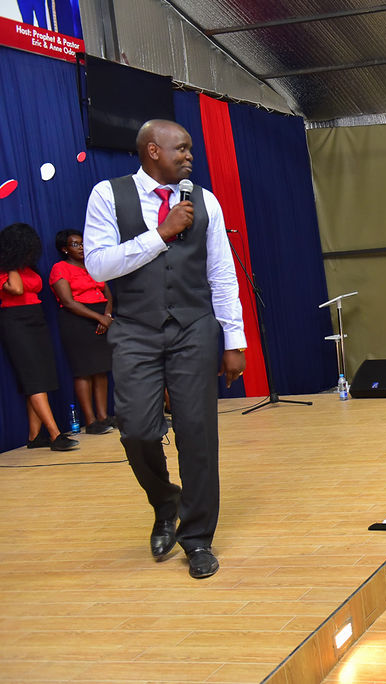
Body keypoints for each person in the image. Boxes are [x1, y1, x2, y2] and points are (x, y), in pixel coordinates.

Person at [83, 119, 246, 579]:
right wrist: (161, 234)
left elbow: (222, 274)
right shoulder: (107, 195)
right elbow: (98, 266)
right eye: (182, 148)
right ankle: (164, 501)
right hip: (134, 330)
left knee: (198, 433)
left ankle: (197, 538)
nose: (190, 156)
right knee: (136, 429)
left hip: (194, 328)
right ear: (153, 150)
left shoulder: (205, 201)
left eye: (191, 149)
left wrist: (234, 340)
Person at [0, 223, 79, 451]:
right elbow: (16, 289)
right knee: (33, 378)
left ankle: (34, 437)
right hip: (14, 321)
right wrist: (11, 262)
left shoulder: (28, 268)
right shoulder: (6, 268)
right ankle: (55, 435)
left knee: (41, 377)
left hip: (36, 319)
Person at [49, 230, 115, 434]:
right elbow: (68, 302)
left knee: (101, 368)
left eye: (83, 243)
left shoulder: (92, 265)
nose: (82, 247)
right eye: (75, 244)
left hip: (102, 317)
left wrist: (107, 315)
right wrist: (98, 318)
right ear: (64, 249)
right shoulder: (60, 268)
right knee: (84, 370)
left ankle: (103, 417)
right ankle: (91, 421)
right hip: (77, 320)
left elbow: (108, 294)